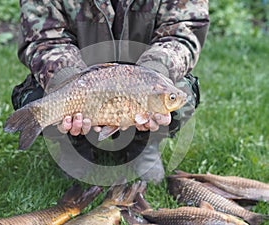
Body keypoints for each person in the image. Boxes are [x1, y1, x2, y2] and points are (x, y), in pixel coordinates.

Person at [12, 0, 209, 183]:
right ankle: (73, 145)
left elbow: (183, 30)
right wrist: (67, 82)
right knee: (40, 99)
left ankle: (145, 144)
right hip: (80, 77)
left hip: (148, 73)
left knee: (184, 94)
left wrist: (155, 73)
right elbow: (45, 38)